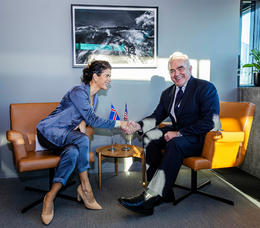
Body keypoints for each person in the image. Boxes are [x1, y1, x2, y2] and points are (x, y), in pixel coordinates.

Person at [119, 52, 221, 215]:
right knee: (149, 137)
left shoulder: (205, 88)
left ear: (190, 68)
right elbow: (156, 117)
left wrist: (179, 133)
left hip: (199, 137)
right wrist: (138, 126)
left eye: (180, 68)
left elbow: (210, 121)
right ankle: (162, 192)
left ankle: (150, 198)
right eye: (172, 71)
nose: (176, 74)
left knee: (175, 143)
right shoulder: (168, 93)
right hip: (178, 133)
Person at [36, 60, 128, 225]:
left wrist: (82, 124)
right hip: (49, 132)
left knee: (73, 153)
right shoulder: (78, 91)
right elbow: (91, 118)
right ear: (95, 76)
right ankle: (85, 187)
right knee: (82, 139)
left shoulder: (95, 99)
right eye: (107, 75)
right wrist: (120, 124)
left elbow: (86, 120)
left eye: (110, 76)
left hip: (66, 137)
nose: (109, 79)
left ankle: (50, 197)